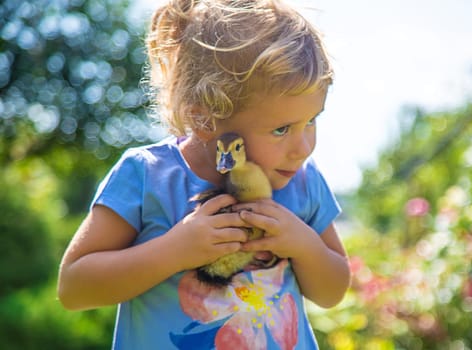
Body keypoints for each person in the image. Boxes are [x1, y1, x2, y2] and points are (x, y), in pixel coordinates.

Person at [57, 0, 351, 348]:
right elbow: (74, 288)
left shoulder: (303, 181)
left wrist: (303, 245)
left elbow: (332, 291)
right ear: (204, 118)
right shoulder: (147, 176)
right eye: (282, 129)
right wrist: (174, 250)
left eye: (311, 121)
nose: (303, 147)